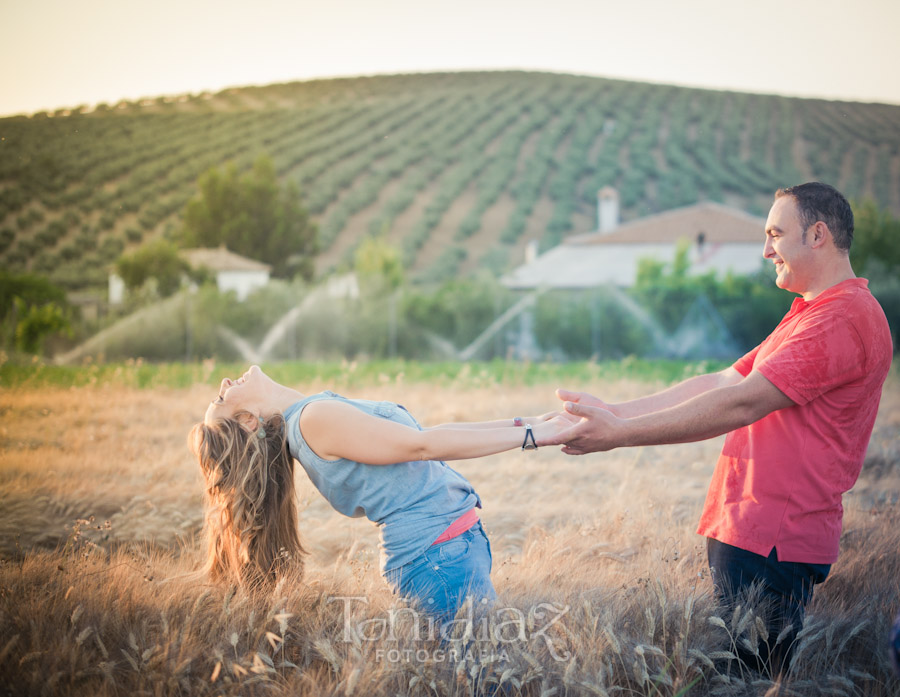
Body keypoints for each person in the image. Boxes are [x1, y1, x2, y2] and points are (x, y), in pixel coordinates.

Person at [542, 182, 893, 673]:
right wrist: (616, 411)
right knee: (742, 676)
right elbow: (726, 378)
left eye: (776, 234)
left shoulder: (842, 319)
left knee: (748, 681)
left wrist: (617, 436)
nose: (766, 250)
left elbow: (742, 403)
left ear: (818, 235)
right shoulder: (815, 312)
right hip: (752, 531)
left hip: (773, 538)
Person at [189, 365, 568, 622]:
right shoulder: (312, 420)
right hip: (438, 560)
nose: (224, 383)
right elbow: (424, 446)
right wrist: (533, 438)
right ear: (247, 420)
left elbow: (426, 437)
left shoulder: (309, 416)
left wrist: (530, 422)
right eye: (221, 400)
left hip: (445, 553)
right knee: (488, 680)